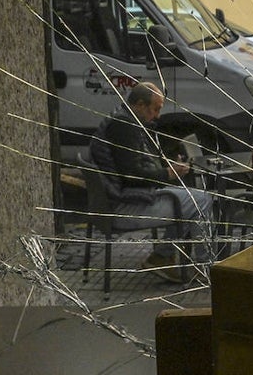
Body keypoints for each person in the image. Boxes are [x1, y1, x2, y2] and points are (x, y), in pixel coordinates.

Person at [90, 82, 217, 282]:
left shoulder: (122, 119)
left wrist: (166, 170)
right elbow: (132, 175)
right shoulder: (124, 126)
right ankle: (207, 269)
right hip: (124, 208)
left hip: (122, 199)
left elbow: (134, 165)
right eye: (155, 109)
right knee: (201, 201)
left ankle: (162, 257)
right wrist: (167, 174)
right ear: (140, 105)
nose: (157, 115)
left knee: (186, 198)